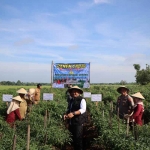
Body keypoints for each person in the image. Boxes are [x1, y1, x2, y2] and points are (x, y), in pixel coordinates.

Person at [64, 86, 86, 150]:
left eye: (76, 92)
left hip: (78, 122)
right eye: (73, 92)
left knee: (78, 139)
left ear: (79, 92)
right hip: (72, 122)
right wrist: (66, 114)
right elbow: (69, 109)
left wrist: (73, 113)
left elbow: (83, 109)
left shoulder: (82, 99)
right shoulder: (71, 100)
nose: (74, 93)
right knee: (73, 139)